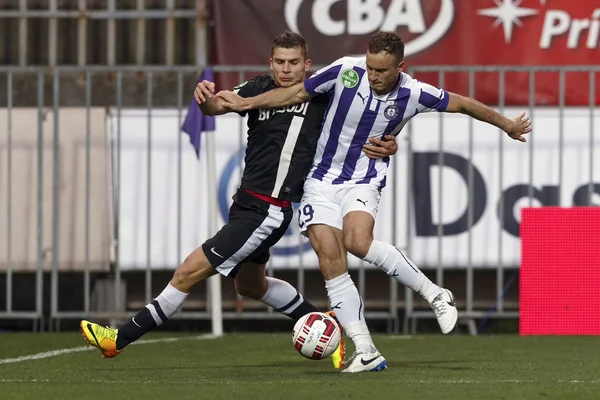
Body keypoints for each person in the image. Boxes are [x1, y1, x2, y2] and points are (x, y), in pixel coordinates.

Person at [79, 31, 398, 370]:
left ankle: (119, 339)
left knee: (188, 272)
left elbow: (367, 119)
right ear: (270, 62)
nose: (286, 70)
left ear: (307, 65)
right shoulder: (258, 88)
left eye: (293, 63)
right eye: (280, 62)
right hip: (246, 203)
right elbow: (220, 103)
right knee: (250, 285)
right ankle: (324, 321)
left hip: (268, 211)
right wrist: (205, 101)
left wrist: (389, 141)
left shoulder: (322, 98)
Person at [218, 31, 532, 373]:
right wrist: (247, 103)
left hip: (363, 176)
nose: (373, 76)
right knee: (330, 260)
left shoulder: (414, 92)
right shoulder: (345, 71)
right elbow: (296, 91)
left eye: (382, 71)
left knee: (357, 241)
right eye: (370, 67)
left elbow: (462, 104)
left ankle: (435, 294)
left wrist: (507, 125)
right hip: (319, 179)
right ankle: (366, 350)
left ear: (400, 67)